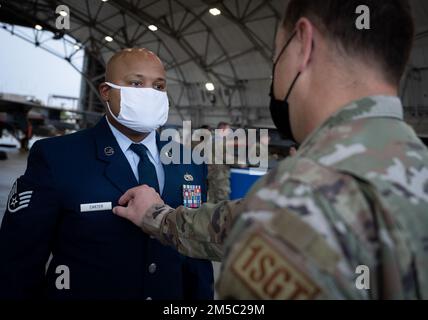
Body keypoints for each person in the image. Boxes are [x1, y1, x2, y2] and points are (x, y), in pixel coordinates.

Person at [112, 1, 428, 299]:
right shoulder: (412, 162)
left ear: (303, 44)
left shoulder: (302, 191)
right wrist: (160, 217)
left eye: (277, 55)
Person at [0, 48, 213, 299]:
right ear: (106, 92)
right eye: (136, 83)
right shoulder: (58, 157)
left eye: (158, 86)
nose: (149, 93)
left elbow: (197, 256)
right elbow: (18, 262)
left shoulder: (189, 162)